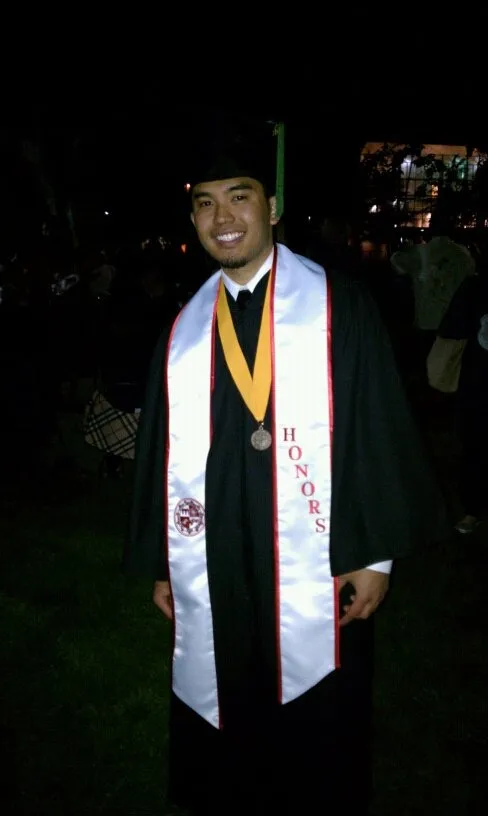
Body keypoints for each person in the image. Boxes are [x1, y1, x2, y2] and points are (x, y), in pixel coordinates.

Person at [125, 122, 448, 815]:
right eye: (205, 203)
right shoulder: (181, 331)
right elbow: (159, 456)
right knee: (224, 709)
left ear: (272, 207)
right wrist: (163, 558)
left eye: (238, 197)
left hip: (317, 557)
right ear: (193, 218)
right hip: (214, 558)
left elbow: (377, 430)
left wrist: (377, 557)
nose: (223, 218)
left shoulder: (339, 308)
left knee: (317, 731)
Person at [438, 263, 488, 534]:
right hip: (478, 383)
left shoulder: (474, 287)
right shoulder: (474, 287)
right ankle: (472, 510)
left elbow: (451, 328)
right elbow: (453, 328)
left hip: (478, 384)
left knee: (475, 446)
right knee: (475, 446)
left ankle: (473, 510)